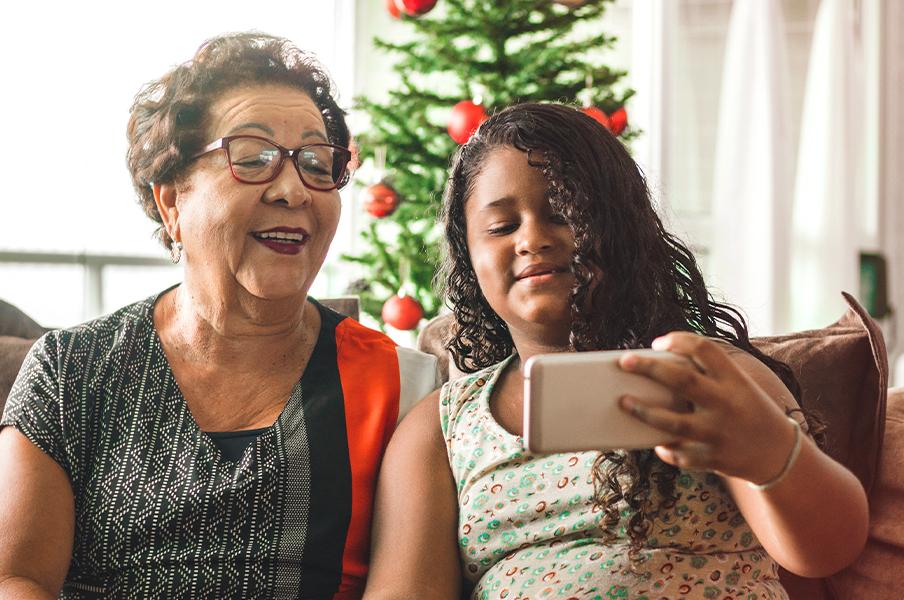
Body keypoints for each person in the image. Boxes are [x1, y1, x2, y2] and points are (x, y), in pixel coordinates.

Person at [0, 32, 437, 599]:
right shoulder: (73, 371)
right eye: (253, 157)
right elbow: (5, 581)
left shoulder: (403, 386)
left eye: (316, 162)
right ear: (172, 201)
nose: (294, 189)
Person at [364, 103, 869, 599]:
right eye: (501, 227)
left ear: (622, 232)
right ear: (470, 261)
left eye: (562, 212)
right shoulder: (442, 429)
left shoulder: (705, 378)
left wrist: (769, 452)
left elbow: (827, 549)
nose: (533, 239)